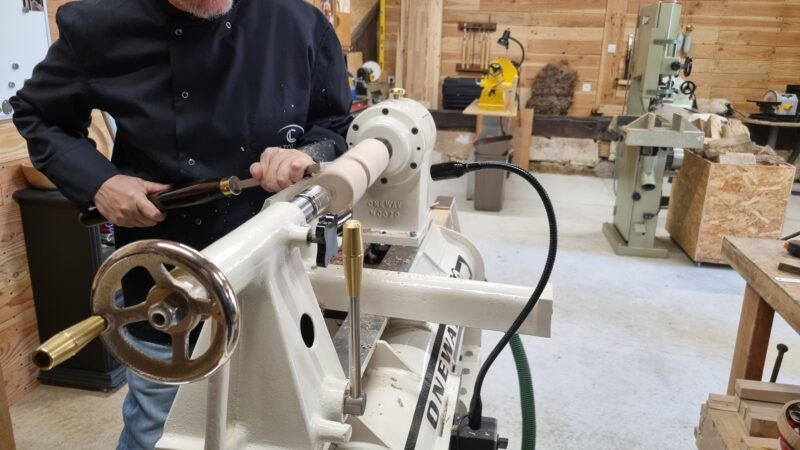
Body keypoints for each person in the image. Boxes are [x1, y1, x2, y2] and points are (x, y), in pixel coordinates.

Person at [11, 0, 353, 448]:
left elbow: (332, 124)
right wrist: (101, 182)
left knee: (275, 423)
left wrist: (307, 154)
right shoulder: (98, 26)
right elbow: (39, 115)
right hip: (165, 282)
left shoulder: (297, 22)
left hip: (276, 271)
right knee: (160, 428)